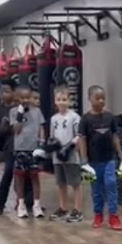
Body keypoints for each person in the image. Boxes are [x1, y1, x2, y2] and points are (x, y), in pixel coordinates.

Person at [77, 85, 122, 230]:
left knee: (111, 184)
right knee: (97, 189)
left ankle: (114, 216)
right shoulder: (85, 119)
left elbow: (115, 136)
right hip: (93, 161)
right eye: (97, 98)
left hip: (109, 159)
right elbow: (82, 140)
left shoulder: (109, 117)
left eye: (103, 98)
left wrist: (121, 155)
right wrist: (84, 160)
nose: (101, 101)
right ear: (89, 99)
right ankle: (98, 215)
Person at [9, 85, 46, 218]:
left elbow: (41, 127)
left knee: (35, 177)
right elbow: (16, 130)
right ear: (17, 98)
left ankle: (37, 205)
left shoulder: (37, 111)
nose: (25, 100)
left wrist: (42, 144)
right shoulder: (13, 112)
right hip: (20, 149)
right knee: (20, 177)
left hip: (34, 149)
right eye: (22, 98)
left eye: (27, 97)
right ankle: (21, 205)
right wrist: (19, 115)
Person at [48, 86, 84, 222]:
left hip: (71, 156)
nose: (61, 102)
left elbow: (79, 135)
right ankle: (63, 208)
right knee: (61, 183)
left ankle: (78, 210)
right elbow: (52, 136)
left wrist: (71, 146)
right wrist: (50, 147)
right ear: (55, 101)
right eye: (59, 99)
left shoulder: (74, 117)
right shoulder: (54, 119)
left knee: (75, 183)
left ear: (69, 101)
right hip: (57, 157)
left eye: (64, 99)